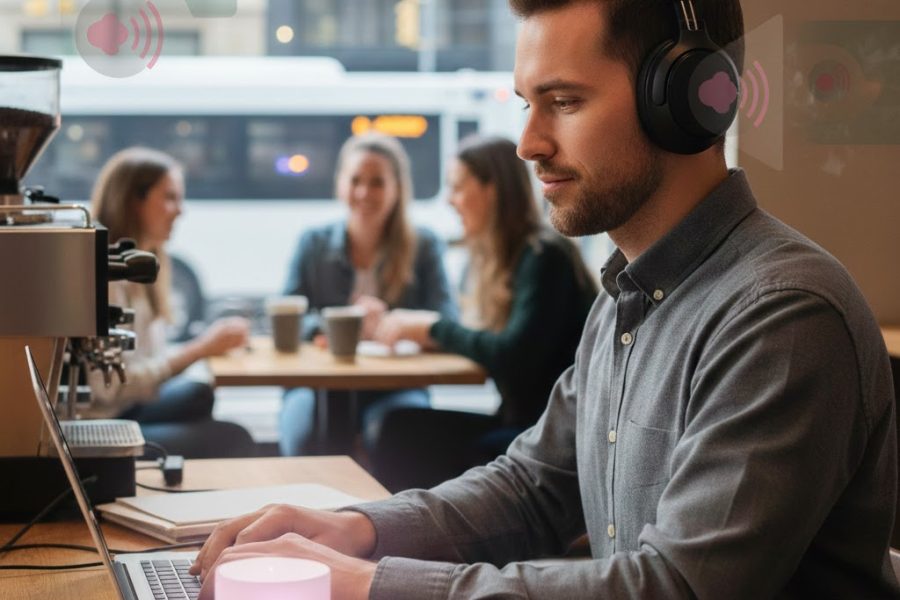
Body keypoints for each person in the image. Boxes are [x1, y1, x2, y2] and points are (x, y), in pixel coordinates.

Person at [192, 0, 899, 597]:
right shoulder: (627, 296)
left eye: (564, 102)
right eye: (529, 104)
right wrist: (361, 528)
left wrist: (372, 583)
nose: (528, 143)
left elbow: (677, 586)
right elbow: (533, 484)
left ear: (685, 98)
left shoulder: (782, 314)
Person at [370, 135, 597, 491]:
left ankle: (413, 539)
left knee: (402, 434)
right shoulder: (508, 258)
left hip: (549, 435)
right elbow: (496, 345)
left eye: (458, 187)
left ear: (493, 190)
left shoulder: (543, 256)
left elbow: (512, 357)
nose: (449, 200)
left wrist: (431, 328)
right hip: (521, 422)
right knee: (397, 425)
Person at [279, 132, 457, 456]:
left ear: (397, 188)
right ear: (340, 184)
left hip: (395, 384)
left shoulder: (423, 244)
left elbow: (448, 321)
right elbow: (288, 318)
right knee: (304, 435)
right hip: (317, 383)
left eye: (377, 182)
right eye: (355, 180)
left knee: (397, 436)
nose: (364, 192)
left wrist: (396, 324)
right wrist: (340, 325)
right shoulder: (313, 243)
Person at [89, 147, 257, 458]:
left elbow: (144, 365)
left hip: (130, 407)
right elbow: (109, 389)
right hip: (105, 421)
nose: (180, 211)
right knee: (235, 437)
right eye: (169, 198)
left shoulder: (151, 266)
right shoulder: (107, 278)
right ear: (133, 201)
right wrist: (201, 348)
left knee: (199, 395)